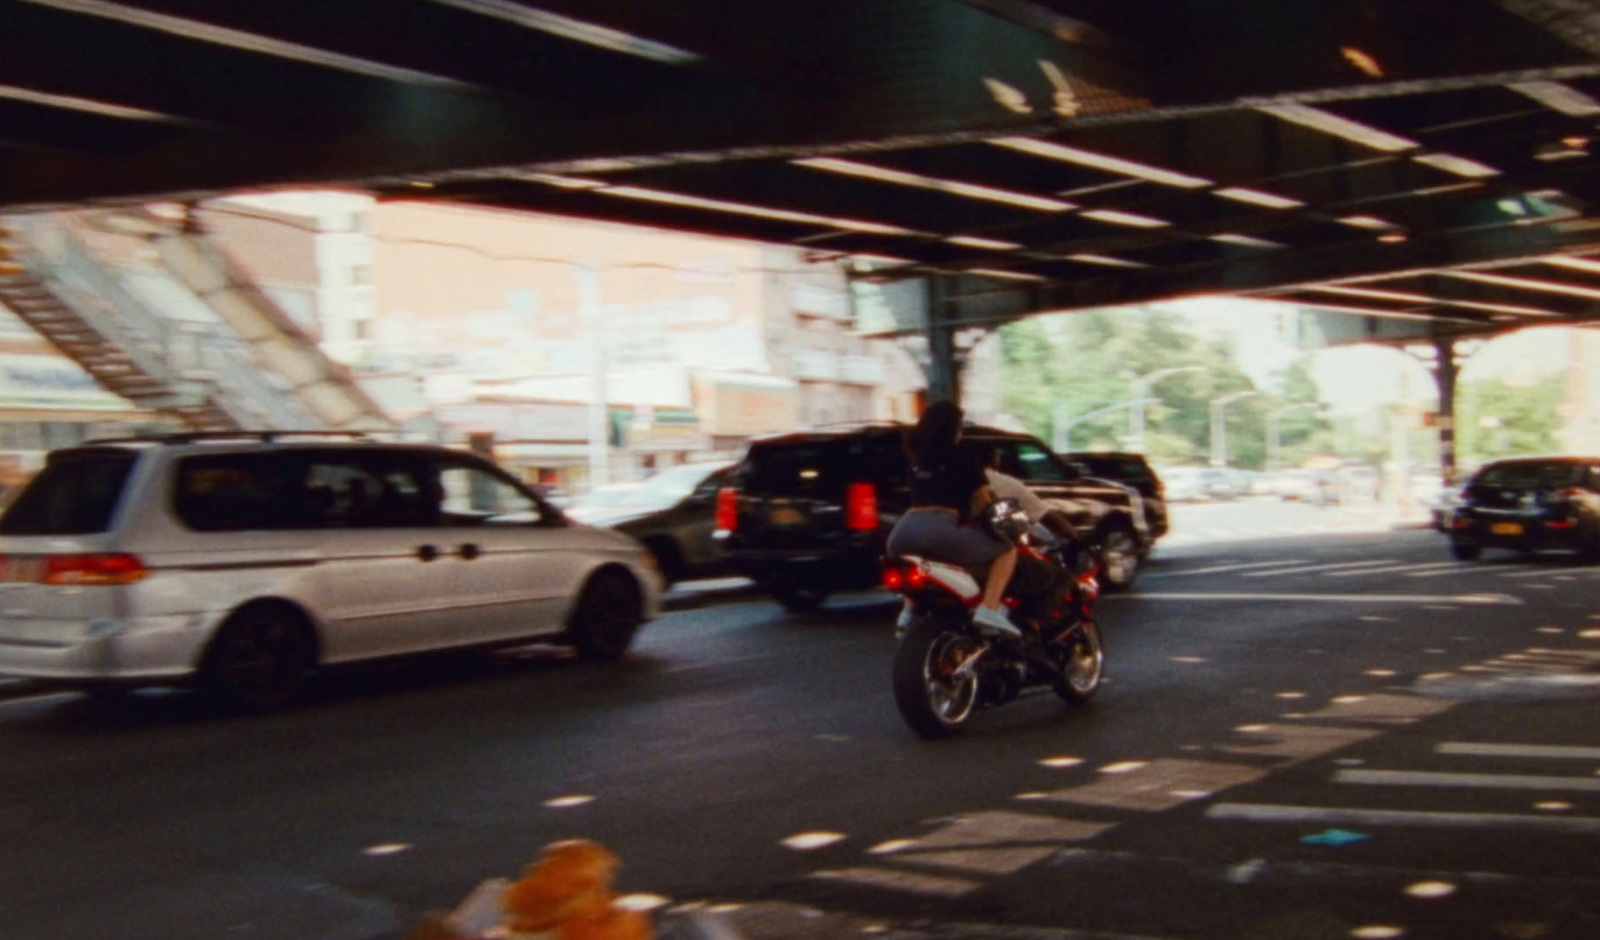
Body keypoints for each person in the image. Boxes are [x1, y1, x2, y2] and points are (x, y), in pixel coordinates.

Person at [885, 401, 1021, 638]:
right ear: (954, 429)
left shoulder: (918, 461)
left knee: (920, 562)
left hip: (901, 533)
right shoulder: (964, 459)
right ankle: (989, 609)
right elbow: (983, 506)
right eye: (960, 427)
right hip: (940, 528)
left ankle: (907, 612)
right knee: (1007, 550)